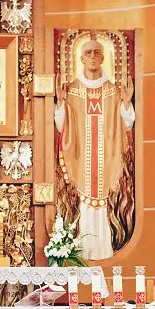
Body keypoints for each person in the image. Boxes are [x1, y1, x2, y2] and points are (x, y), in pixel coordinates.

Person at [54, 36, 135, 261]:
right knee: (83, 208)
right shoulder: (71, 91)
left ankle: (106, 252)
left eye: (97, 52)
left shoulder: (114, 91)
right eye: (88, 53)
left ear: (103, 58)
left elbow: (127, 125)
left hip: (107, 161)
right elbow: (61, 126)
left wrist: (126, 103)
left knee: (106, 208)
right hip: (80, 160)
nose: (92, 57)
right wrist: (60, 103)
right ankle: (82, 254)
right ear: (80, 58)